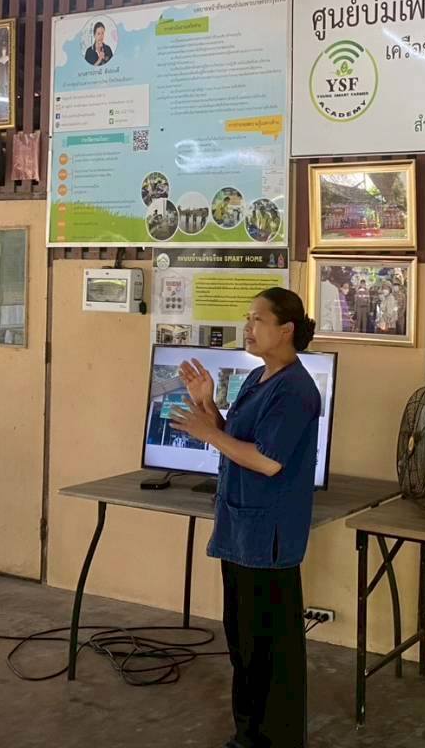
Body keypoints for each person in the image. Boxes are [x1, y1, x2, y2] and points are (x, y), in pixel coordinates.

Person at [171, 288, 320, 748]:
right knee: (243, 644)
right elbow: (234, 435)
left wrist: (206, 433)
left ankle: (273, 738)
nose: (248, 328)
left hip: (267, 537)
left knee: (268, 651)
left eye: (257, 319)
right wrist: (206, 405)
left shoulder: (296, 389)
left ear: (286, 330)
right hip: (241, 529)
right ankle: (247, 734)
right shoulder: (258, 378)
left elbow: (267, 460)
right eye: (247, 318)